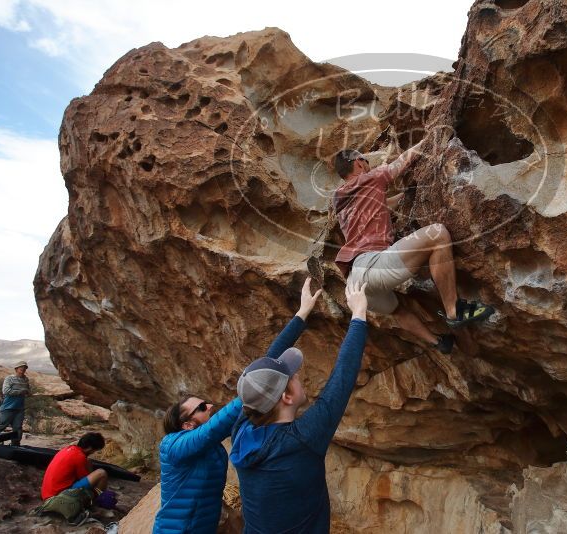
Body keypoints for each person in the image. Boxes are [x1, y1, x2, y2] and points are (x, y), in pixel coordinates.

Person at [153, 278, 323, 534]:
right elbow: (214, 428)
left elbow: (266, 364)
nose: (210, 406)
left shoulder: (210, 447)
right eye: (201, 407)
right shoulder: (172, 447)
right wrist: (255, 392)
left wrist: (301, 315)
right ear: (186, 424)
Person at [230, 280, 369, 534]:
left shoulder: (243, 429)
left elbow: (266, 368)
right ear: (286, 397)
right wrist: (359, 313)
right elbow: (342, 378)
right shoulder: (301, 439)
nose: (297, 375)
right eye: (293, 375)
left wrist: (302, 313)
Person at [332, 143, 494, 354]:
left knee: (398, 310)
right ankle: (454, 310)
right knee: (438, 234)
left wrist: (407, 194)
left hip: (355, 285)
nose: (369, 166)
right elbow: (403, 161)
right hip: (371, 266)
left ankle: (437, 342)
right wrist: (430, 138)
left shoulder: (340, 198)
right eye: (367, 162)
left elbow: (381, 206)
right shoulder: (369, 179)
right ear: (359, 163)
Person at [41, 432, 107, 500]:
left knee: (88, 461)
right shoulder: (79, 456)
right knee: (101, 473)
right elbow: (84, 478)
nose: (93, 453)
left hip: (47, 493)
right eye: (95, 451)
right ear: (90, 448)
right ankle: (97, 498)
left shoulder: (67, 449)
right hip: (57, 497)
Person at [0, 360, 31, 445]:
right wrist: (21, 391)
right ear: (16, 369)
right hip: (8, 407)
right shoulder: (9, 378)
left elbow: (27, 391)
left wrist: (28, 393)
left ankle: (15, 445)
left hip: (19, 408)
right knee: (2, 425)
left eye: (25, 368)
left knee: (18, 428)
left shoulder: (26, 379)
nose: (23, 369)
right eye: (21, 367)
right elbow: (5, 391)